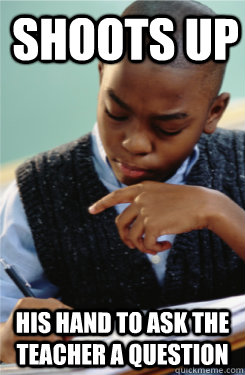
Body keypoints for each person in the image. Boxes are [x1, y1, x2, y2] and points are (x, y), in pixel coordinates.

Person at [0, 0, 244, 364]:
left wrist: (219, 210)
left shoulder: (240, 162)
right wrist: (8, 338)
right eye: (116, 112)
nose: (134, 143)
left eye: (168, 127)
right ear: (102, 76)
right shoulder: (34, 192)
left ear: (214, 113)